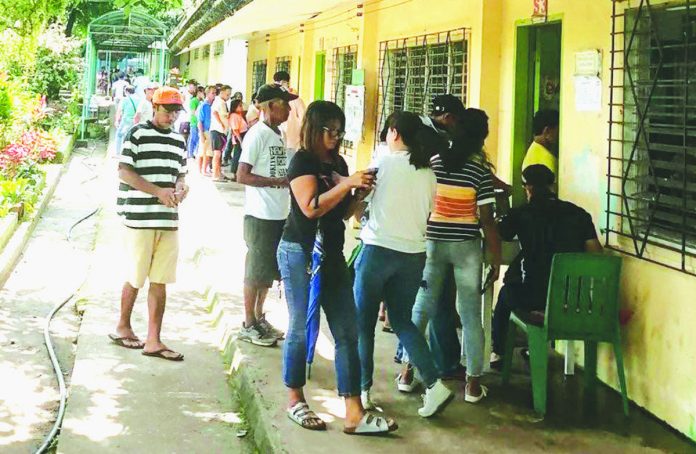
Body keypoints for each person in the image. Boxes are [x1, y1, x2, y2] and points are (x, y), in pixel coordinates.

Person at [278, 100, 397, 434]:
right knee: (300, 326)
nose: (336, 136)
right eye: (331, 130)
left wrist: (357, 194)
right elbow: (311, 208)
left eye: (340, 130)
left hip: (330, 254)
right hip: (299, 252)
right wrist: (345, 184)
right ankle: (295, 399)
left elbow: (341, 215)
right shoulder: (302, 161)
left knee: (348, 330)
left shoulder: (338, 162)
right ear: (315, 129)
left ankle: (354, 410)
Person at [353, 111, 453, 418]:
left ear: (394, 132)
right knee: (402, 321)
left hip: (377, 251)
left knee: (363, 323)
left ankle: (362, 390)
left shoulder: (381, 164)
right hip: (413, 255)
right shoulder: (428, 174)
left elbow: (359, 206)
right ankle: (435, 384)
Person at [400, 108, 501, 404]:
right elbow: (487, 221)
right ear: (481, 137)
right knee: (470, 315)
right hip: (466, 247)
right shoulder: (480, 172)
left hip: (432, 244)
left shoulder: (434, 163)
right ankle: (472, 385)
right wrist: (494, 259)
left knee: (422, 308)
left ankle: (407, 372)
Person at [490, 165, 602, 367]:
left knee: (506, 293)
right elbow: (596, 255)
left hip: (534, 298)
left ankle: (498, 352)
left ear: (528, 188)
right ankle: (534, 346)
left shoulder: (521, 213)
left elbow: (502, 233)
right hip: (573, 299)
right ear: (553, 185)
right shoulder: (579, 214)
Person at [110, 86, 188, 361]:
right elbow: (124, 172)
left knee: (160, 280)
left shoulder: (178, 140)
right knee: (135, 276)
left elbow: (180, 173)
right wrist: (158, 191)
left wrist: (180, 188)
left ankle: (154, 339)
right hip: (140, 218)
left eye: (176, 112)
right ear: (155, 107)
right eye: (168, 111)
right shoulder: (137, 134)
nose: (172, 116)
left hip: (168, 219)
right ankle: (123, 326)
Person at [236, 84, 296, 346]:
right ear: (271, 106)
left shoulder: (278, 134)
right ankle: (248, 323)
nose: (290, 108)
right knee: (255, 271)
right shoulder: (256, 135)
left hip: (277, 215)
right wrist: (277, 181)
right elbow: (242, 175)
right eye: (285, 103)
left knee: (268, 272)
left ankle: (260, 318)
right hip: (260, 216)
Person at [274, 71, 307, 160]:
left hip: (292, 140)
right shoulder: (295, 99)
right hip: (289, 139)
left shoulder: (295, 99)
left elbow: (303, 119)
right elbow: (304, 119)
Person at [522, 109, 559, 175]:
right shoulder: (547, 160)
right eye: (557, 131)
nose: (558, 136)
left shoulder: (533, 151)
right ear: (547, 131)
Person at [210, 85, 232, 181]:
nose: (229, 96)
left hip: (222, 131)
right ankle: (215, 174)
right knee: (217, 154)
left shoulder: (223, 102)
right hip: (217, 130)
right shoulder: (218, 101)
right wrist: (221, 124)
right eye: (227, 94)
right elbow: (215, 113)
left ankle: (219, 173)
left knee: (220, 154)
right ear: (222, 92)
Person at [197, 85, 216, 175]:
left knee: (207, 152)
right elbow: (200, 121)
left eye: (215, 93)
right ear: (207, 94)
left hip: (210, 130)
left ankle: (203, 170)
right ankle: (202, 170)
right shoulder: (204, 105)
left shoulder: (213, 105)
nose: (214, 95)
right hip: (205, 131)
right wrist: (201, 134)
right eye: (213, 93)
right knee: (205, 153)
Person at [114, 85, 138, 155]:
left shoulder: (125, 99)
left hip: (126, 120)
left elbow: (119, 111)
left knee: (119, 135)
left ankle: (118, 153)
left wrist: (117, 120)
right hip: (135, 121)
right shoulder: (139, 99)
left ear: (127, 91)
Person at [228, 98, 249, 178]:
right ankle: (234, 173)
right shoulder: (234, 116)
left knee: (240, 154)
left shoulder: (239, 115)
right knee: (237, 154)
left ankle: (238, 172)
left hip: (243, 135)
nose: (241, 108)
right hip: (239, 136)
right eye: (239, 106)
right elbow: (235, 130)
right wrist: (240, 141)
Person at [188, 85, 204, 160]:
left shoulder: (201, 102)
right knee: (193, 138)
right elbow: (193, 112)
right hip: (194, 122)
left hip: (200, 123)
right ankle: (190, 154)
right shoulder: (194, 101)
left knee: (198, 139)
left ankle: (194, 153)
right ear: (198, 93)